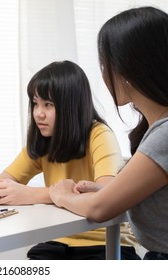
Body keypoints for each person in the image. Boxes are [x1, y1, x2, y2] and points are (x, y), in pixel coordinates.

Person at [0, 60, 139, 259]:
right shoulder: (43, 142)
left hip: (105, 242)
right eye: (35, 103)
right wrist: (0, 192)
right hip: (58, 239)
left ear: (71, 106)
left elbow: (105, 193)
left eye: (48, 104)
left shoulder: (99, 135)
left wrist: (31, 194)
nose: (38, 113)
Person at [49, 6, 168, 260]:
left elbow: (98, 209)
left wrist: (59, 195)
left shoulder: (164, 135)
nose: (103, 74)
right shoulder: (156, 129)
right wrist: (108, 189)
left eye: (106, 64)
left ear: (130, 69)